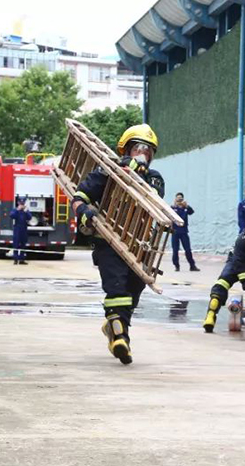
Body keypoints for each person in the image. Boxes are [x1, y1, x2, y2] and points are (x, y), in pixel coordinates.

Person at [72, 124, 165, 365]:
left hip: (138, 244)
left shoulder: (154, 179)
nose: (143, 153)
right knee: (117, 288)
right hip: (109, 241)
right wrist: (84, 212)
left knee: (134, 289)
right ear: (126, 149)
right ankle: (120, 337)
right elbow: (80, 196)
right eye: (138, 148)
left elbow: (153, 197)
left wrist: (137, 172)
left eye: (148, 150)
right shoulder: (106, 171)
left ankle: (115, 326)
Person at [171, 192, 199, 272]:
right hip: (175, 232)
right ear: (175, 199)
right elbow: (168, 214)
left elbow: (192, 212)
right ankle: (177, 266)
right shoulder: (172, 208)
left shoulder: (185, 208)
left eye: (181, 199)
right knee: (175, 250)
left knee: (187, 249)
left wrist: (186, 206)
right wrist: (175, 205)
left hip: (184, 232)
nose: (179, 200)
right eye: (178, 198)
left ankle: (192, 265)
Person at [10, 196, 32, 265]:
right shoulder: (15, 209)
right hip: (17, 228)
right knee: (16, 244)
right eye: (21, 203)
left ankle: (22, 259)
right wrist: (17, 210)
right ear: (18, 203)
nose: (22, 205)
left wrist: (26, 211)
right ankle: (15, 259)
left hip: (24, 229)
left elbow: (30, 217)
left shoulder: (26, 210)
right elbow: (11, 215)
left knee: (23, 244)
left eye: (23, 203)